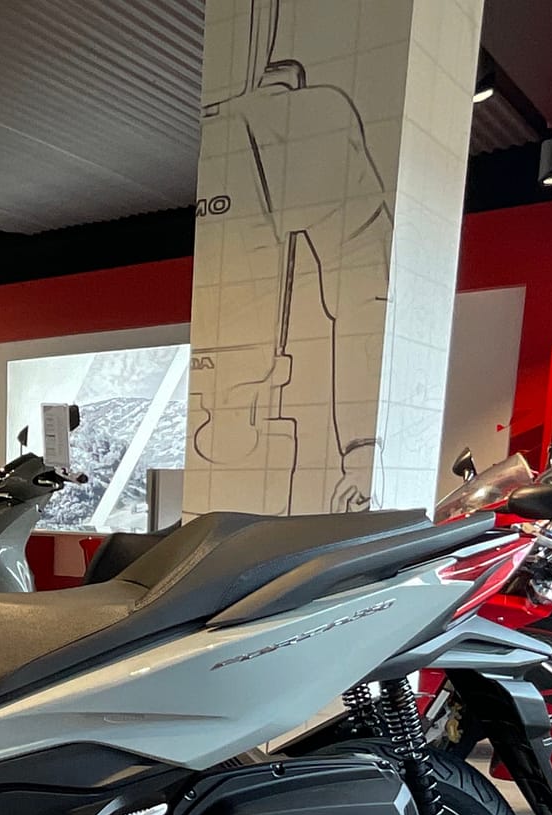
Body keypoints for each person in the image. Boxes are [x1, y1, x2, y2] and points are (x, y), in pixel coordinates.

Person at [189, 0, 392, 514]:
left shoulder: (300, 125)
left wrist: (361, 449)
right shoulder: (287, 125)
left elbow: (365, 294)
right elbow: (365, 293)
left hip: (258, 407)